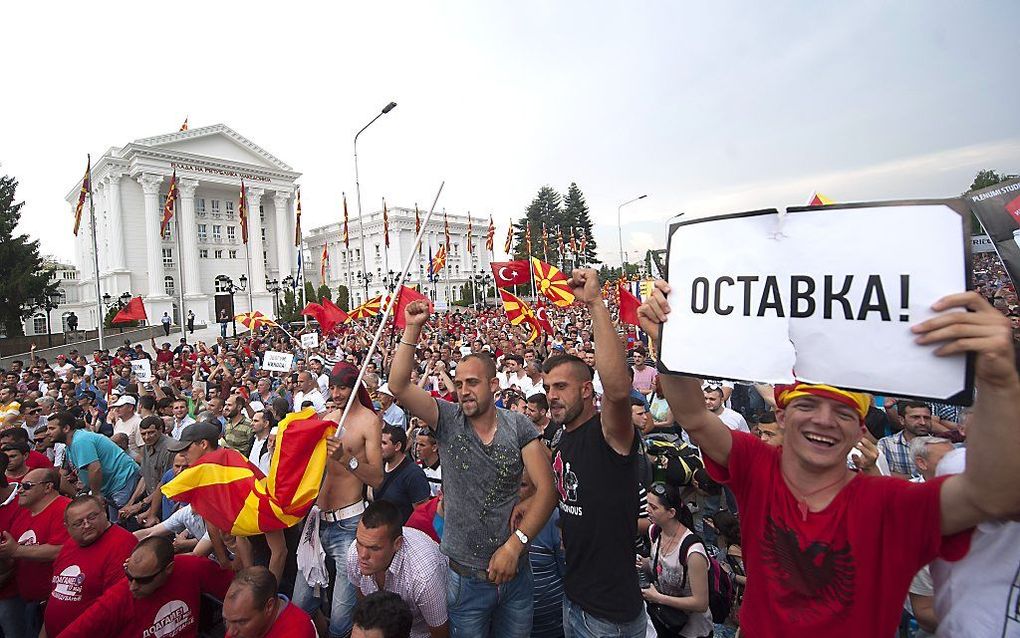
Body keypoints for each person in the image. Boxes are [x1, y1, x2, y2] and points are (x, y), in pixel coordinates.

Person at [638, 281, 1020, 637]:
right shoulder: (758, 467)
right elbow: (694, 416)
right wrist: (669, 339)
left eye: (842, 413)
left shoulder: (892, 503)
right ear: (783, 417)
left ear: (860, 430)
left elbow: (991, 495)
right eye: (807, 405)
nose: (823, 420)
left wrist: (999, 382)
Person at [389, 300, 556, 637]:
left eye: (473, 383)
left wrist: (515, 544)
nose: (463, 391)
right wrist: (412, 328)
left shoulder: (519, 426)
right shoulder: (447, 420)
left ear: (493, 385)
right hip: (464, 581)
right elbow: (399, 387)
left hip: (515, 575)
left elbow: (547, 488)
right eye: (460, 383)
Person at [533, 269, 648, 638]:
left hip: (609, 614)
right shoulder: (562, 437)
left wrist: (596, 302)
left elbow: (616, 390)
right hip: (576, 597)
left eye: (562, 387)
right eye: (548, 387)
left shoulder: (608, 433)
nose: (552, 395)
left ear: (586, 390)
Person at [293, 362, 384, 638]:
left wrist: (348, 459)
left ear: (355, 387)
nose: (336, 393)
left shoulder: (369, 421)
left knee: (342, 621)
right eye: (332, 387)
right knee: (300, 607)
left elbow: (378, 478)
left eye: (342, 387)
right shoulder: (327, 418)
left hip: (349, 525)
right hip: (317, 524)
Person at [58, 536, 234, 638]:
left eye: (144, 580)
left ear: (168, 570)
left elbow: (236, 589)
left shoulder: (193, 568)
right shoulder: (116, 600)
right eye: (129, 576)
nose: (133, 586)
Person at [346, 500, 449, 638]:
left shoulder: (423, 576)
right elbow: (366, 608)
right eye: (360, 543)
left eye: (374, 548)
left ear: (397, 543)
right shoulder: (354, 554)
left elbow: (440, 633)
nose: (363, 555)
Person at [43, 494, 138, 637]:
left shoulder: (121, 543)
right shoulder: (70, 545)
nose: (87, 525)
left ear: (104, 513)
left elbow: (115, 605)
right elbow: (57, 591)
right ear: (67, 527)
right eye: (78, 523)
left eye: (92, 517)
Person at [0, 467, 69, 636]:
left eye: (27, 486)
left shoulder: (63, 509)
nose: (20, 490)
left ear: (48, 487)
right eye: (21, 485)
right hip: (27, 600)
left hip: (54, 602)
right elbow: (12, 559)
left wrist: (16, 550)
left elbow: (62, 551)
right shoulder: (23, 514)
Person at [638, 482, 713, 638]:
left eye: (654, 507)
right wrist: (642, 563)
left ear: (671, 512)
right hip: (666, 621)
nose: (647, 510)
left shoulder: (693, 552)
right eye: (647, 505)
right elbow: (658, 565)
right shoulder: (655, 532)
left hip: (692, 631)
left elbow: (700, 603)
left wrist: (658, 598)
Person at [45, 411, 141, 520]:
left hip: (122, 481)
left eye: (52, 429)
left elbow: (95, 469)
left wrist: (96, 495)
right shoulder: (71, 445)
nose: (47, 433)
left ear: (66, 428)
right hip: (113, 487)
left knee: (124, 522)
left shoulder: (80, 441)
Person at [222, 566, 316, 638]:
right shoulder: (240, 624)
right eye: (226, 620)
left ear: (269, 607)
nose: (229, 633)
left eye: (241, 622)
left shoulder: (297, 633)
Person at [375, 425, 431, 524]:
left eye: (383, 443)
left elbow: (422, 513)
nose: (379, 447)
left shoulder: (414, 474)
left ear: (397, 446)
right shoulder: (378, 467)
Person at [877, 400, 933, 478]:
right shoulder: (886, 444)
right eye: (916, 417)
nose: (923, 422)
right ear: (902, 420)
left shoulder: (939, 446)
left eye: (926, 418)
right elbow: (882, 474)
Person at [414, 428, 442, 497]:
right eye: (417, 444)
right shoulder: (415, 468)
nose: (417, 448)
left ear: (434, 447)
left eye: (422, 445)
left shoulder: (445, 470)